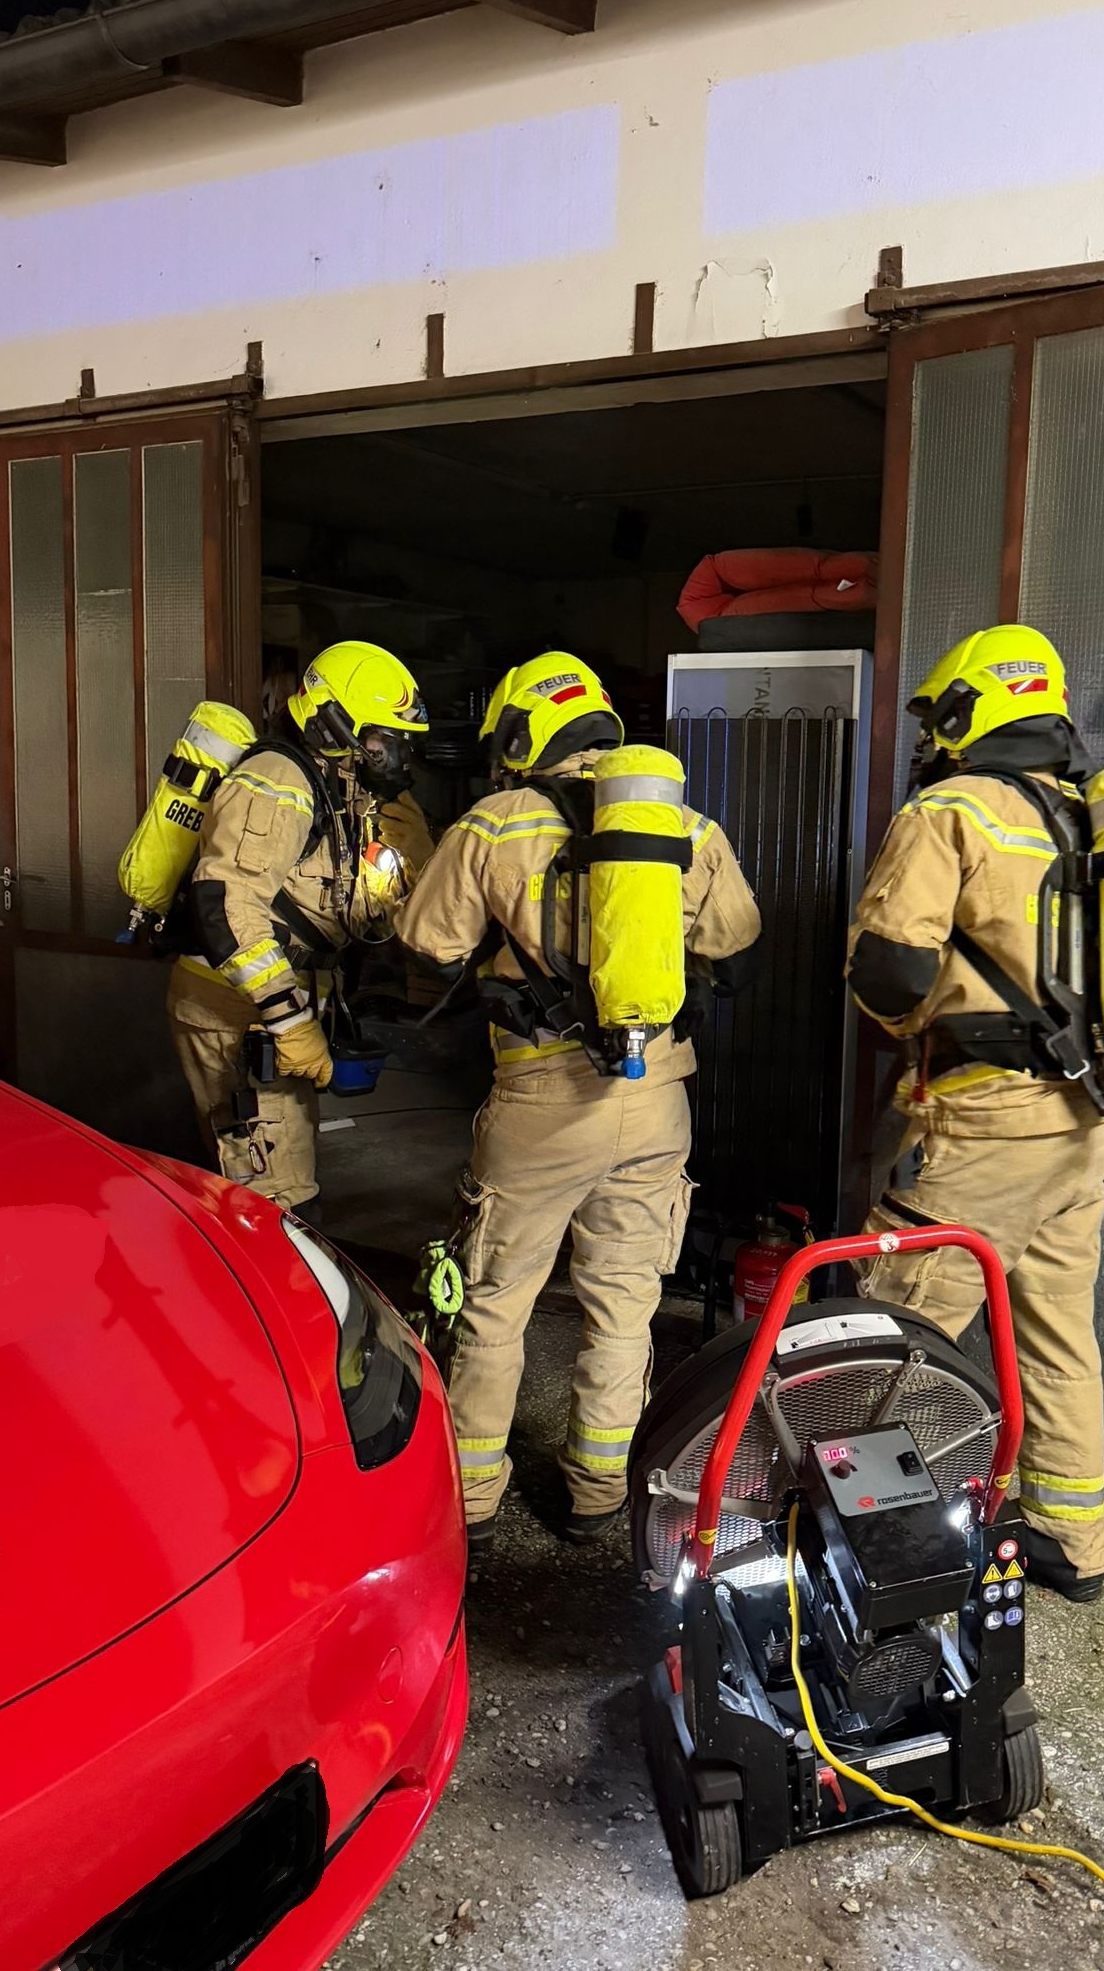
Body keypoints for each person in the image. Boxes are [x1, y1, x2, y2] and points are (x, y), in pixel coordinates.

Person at [397, 651, 761, 1548]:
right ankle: (599, 1491)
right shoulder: (681, 822)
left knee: (494, 1300)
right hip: (659, 1094)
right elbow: (737, 943)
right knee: (626, 1302)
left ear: (523, 734)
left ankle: (471, 1500)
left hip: (541, 1097)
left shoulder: (494, 822)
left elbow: (427, 942)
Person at [846, 625, 1104, 1602]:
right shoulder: (1094, 820)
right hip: (1087, 1122)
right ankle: (1073, 1541)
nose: (930, 738)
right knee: (1056, 1332)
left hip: (984, 1123)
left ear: (969, 712)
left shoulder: (951, 809)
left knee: (891, 1331)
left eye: (938, 718)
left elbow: (888, 969)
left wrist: (918, 1027)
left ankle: (872, 1545)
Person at [168, 639, 433, 1213]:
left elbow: (362, 912)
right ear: (331, 722)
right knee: (275, 1195)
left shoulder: (341, 789)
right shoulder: (278, 781)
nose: (391, 756)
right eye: (380, 739)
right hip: (236, 1005)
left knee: (281, 1164)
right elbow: (225, 903)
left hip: (280, 1000)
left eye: (399, 742)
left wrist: (415, 855)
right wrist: (288, 1020)